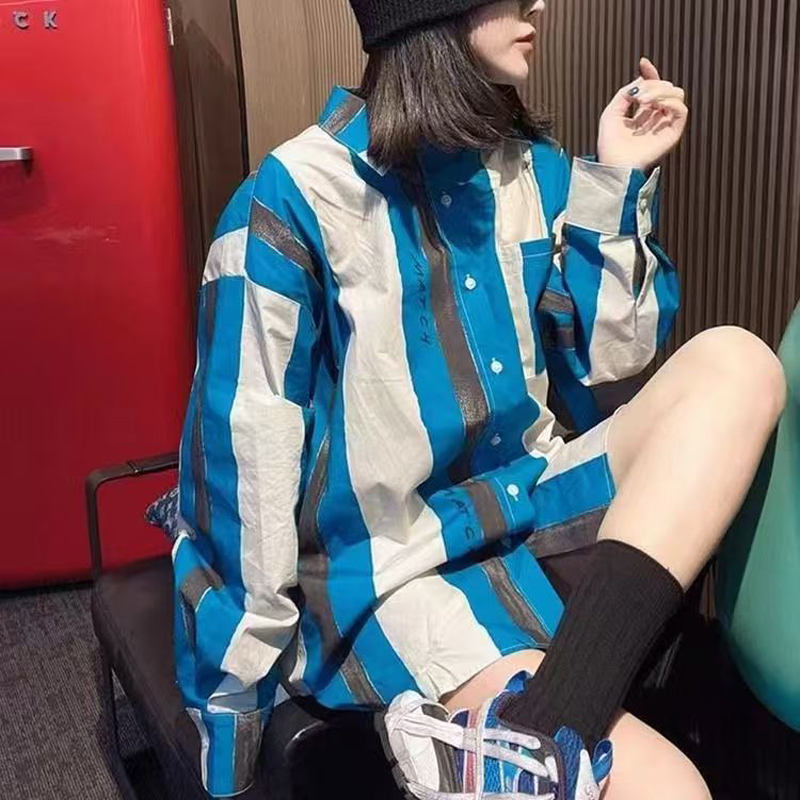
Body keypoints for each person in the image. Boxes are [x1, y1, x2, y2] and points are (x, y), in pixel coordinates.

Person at [171, 1, 786, 797]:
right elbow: (241, 472)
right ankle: (534, 733)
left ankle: (541, 731)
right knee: (672, 790)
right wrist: (231, 735)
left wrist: (617, 174)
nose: (538, 5)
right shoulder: (291, 202)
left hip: (532, 507)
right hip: (396, 574)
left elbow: (610, 364)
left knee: (739, 361)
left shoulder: (531, 173)